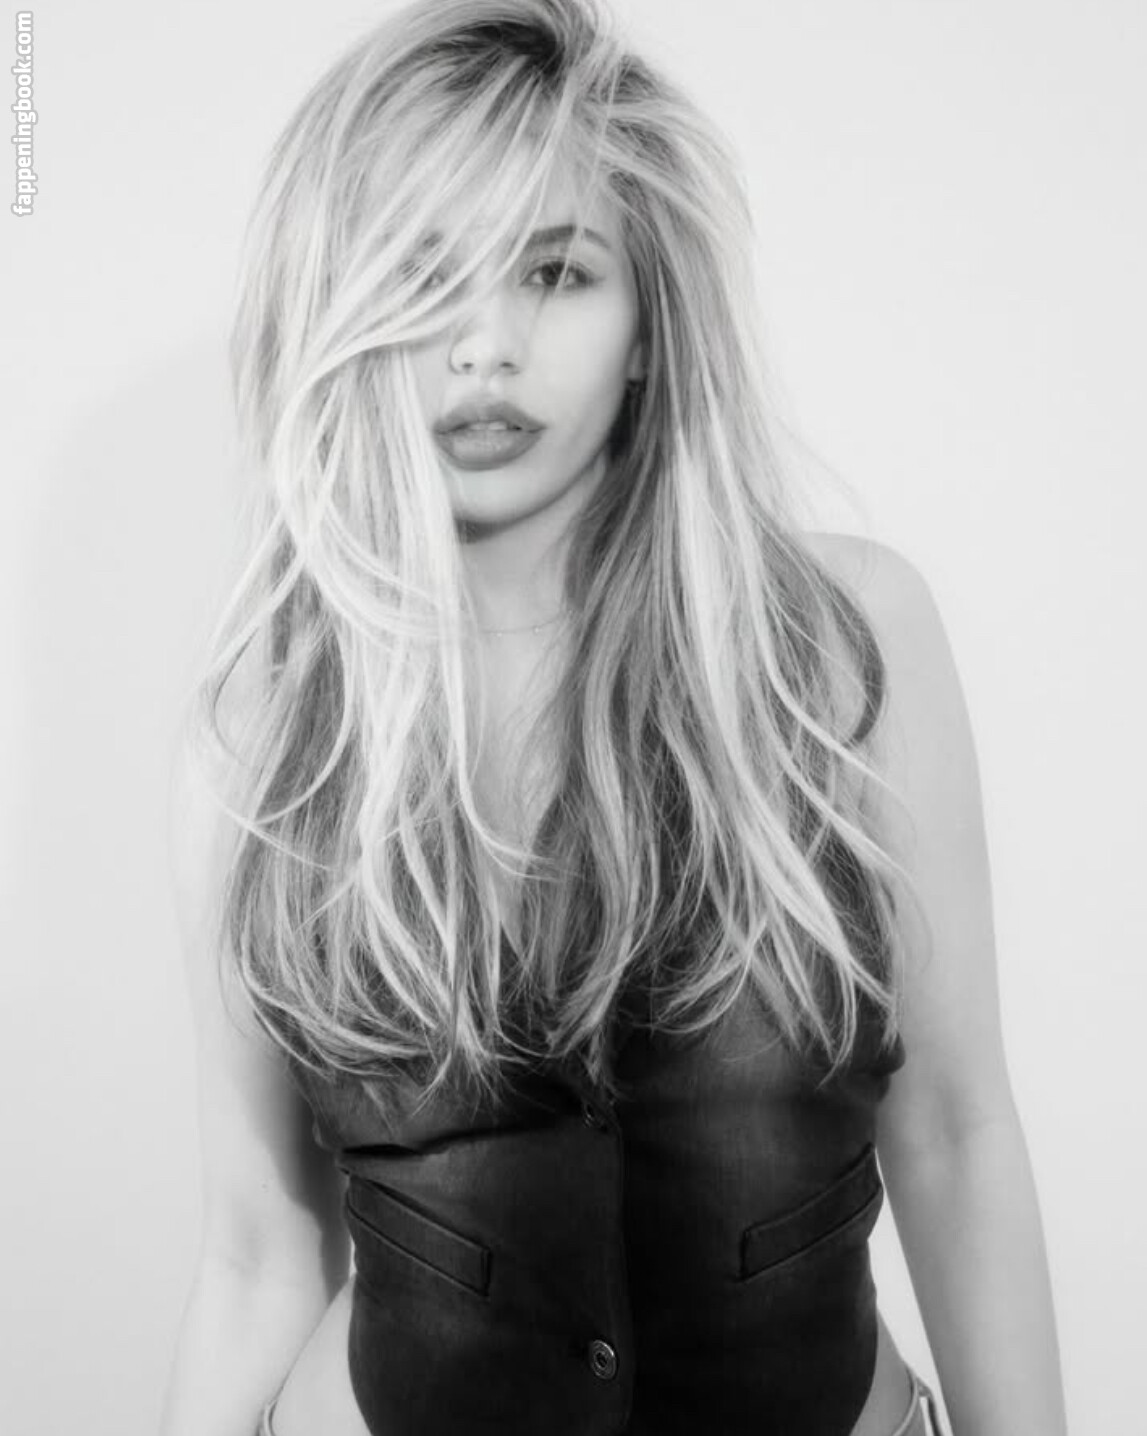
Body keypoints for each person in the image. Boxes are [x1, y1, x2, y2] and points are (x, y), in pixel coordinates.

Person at [161, 2, 1067, 1433]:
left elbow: (955, 1136)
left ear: (649, 327)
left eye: (556, 271)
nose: (484, 345)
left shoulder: (845, 643)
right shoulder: (268, 731)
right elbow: (257, 1251)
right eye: (420, 273)